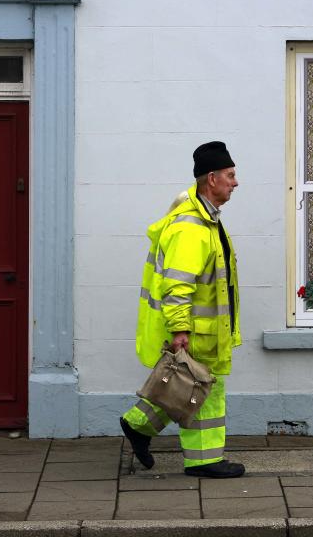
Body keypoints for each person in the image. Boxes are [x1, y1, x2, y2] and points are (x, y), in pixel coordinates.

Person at [119, 141, 245, 479]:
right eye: (231, 175)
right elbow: (178, 284)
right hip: (195, 331)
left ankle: (137, 426)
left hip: (204, 329)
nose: (236, 182)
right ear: (212, 178)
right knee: (202, 389)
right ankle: (204, 460)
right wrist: (180, 329)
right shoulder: (191, 228)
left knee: (186, 387)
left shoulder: (207, 221)